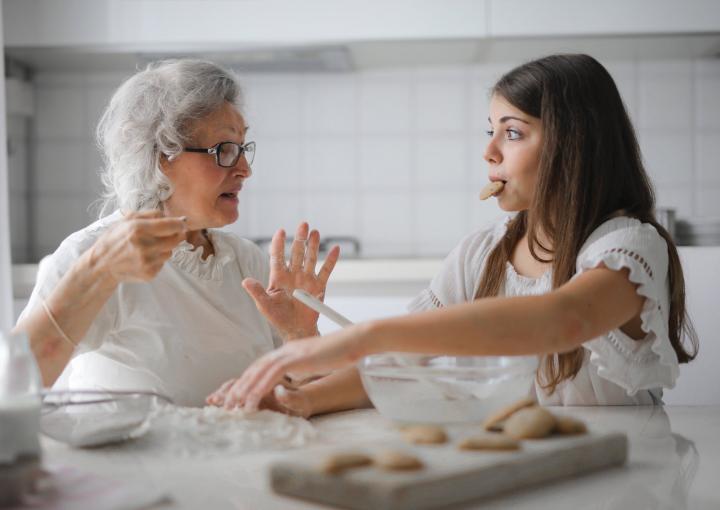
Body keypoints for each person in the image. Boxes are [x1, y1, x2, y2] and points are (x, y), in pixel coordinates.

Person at [209, 54, 699, 412]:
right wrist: (302, 399)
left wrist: (366, 334)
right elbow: (403, 363)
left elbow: (566, 319)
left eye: (512, 132)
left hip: (625, 478)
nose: (488, 152)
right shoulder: (481, 253)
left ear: (574, 146)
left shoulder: (629, 247)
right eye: (489, 130)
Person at [14, 60, 339, 407]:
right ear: (159, 156)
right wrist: (96, 273)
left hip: (243, 459)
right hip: (133, 461)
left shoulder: (246, 261)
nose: (245, 169)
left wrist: (300, 336)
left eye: (243, 148)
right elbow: (13, 384)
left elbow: (300, 396)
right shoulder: (93, 253)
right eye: (224, 150)